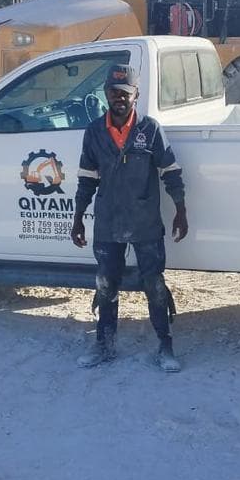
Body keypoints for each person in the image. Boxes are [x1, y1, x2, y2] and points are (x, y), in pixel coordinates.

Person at [71, 63, 189, 372]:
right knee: (106, 284)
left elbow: (171, 172)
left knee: (155, 284)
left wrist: (181, 209)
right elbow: (87, 178)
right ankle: (104, 345)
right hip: (108, 221)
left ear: (136, 94)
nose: (119, 97)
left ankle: (165, 347)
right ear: (106, 94)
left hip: (144, 222)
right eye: (113, 92)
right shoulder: (94, 131)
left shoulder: (150, 130)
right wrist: (78, 217)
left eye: (125, 92)